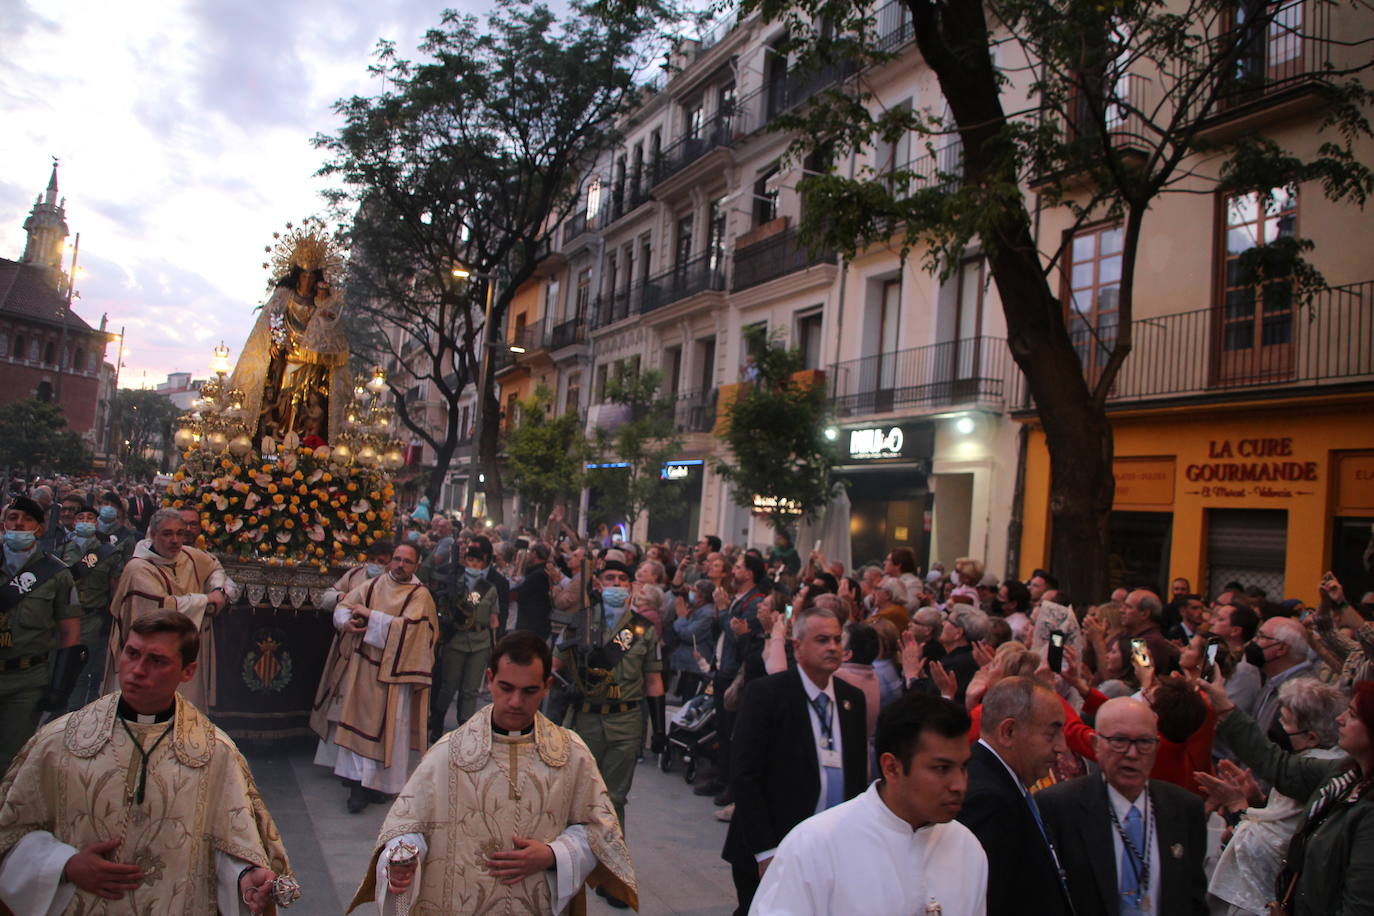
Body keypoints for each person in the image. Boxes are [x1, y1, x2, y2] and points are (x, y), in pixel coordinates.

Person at [0, 609, 295, 914]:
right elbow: (10, 835)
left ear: (188, 671)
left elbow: (226, 847)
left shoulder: (216, 753)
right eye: (131, 653)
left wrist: (245, 879)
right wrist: (64, 864)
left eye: (157, 660)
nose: (137, 670)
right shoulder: (58, 742)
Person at [347, 632, 637, 915]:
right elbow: (407, 825)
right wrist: (401, 859)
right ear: (489, 679)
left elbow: (601, 830)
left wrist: (554, 855)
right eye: (506, 687)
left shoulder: (571, 753)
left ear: (547, 685)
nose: (515, 702)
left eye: (529, 691)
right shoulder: (449, 752)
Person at [749, 693, 987, 915]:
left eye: (963, 767)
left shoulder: (967, 848)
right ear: (891, 767)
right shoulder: (814, 845)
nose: (959, 784)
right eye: (941, 769)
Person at [723, 605, 867, 916]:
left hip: (831, 848)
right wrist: (766, 852)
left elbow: (856, 776)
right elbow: (745, 775)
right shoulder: (767, 694)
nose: (832, 647)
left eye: (837, 640)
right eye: (822, 640)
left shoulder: (851, 699)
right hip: (775, 844)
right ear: (797, 646)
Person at [1200, 675, 1374, 916]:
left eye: (1353, 715)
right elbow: (1278, 766)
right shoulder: (1343, 774)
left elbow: (1360, 905)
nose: (1340, 719)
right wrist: (1225, 709)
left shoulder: (1368, 810)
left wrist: (1240, 808)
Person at [1036, 696, 1209, 916]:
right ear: (1096, 745)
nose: (1132, 753)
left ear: (1157, 746)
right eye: (1119, 741)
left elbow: (1193, 901)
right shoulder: (1059, 806)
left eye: (1144, 742)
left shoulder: (1184, 809)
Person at [311, 542, 439, 813]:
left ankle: (380, 785)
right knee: (357, 719)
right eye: (396, 559)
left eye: (407, 561)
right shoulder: (374, 584)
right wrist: (346, 622)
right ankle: (358, 784)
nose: (399, 565)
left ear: (416, 566)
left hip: (394, 677)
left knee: (391, 729)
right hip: (362, 669)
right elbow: (345, 604)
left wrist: (370, 616)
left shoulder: (420, 595)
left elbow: (413, 631)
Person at [103, 508, 239, 711]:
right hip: (148, 657)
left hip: (184, 654)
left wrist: (218, 589)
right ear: (153, 535)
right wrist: (206, 600)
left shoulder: (189, 556)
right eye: (167, 534)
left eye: (179, 533)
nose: (175, 540)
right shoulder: (138, 568)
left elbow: (214, 568)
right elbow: (163, 609)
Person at [958, 676, 1072, 916]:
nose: (1062, 747)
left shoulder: (1001, 780)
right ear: (1008, 732)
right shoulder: (988, 801)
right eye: (1051, 735)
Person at [0, 495, 81, 773]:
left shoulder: (56, 574)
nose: (19, 524)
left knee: (11, 759)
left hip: (26, 680)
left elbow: (70, 631)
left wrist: (60, 686)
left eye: (28, 519)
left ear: (39, 529)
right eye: (12, 518)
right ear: (3, 526)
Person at [696, 553, 767, 804]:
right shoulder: (737, 598)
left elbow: (738, 635)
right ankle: (721, 774)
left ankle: (730, 783)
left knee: (732, 729)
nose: (733, 571)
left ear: (749, 574)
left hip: (735, 671)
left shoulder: (754, 602)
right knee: (722, 728)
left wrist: (725, 610)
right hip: (722, 667)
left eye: (737, 567)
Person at [429, 543, 501, 741]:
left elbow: (494, 620)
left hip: (480, 640)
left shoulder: (488, 589)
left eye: (478, 562)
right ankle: (438, 721)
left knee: (470, 689)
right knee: (449, 684)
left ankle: (465, 725)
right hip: (457, 638)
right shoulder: (454, 582)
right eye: (470, 561)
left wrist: (495, 647)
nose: (474, 565)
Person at [60, 503, 126, 709]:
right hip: (62, 618)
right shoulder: (62, 549)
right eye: (81, 518)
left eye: (90, 518)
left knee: (81, 669)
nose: (86, 522)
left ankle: (76, 711)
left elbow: (115, 589)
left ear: (96, 523)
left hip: (91, 618)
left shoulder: (107, 552)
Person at [319, 541, 393, 613]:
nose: (375, 563)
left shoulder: (392, 582)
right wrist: (339, 597)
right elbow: (326, 597)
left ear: (390, 564)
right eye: (372, 559)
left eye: (381, 561)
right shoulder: (354, 573)